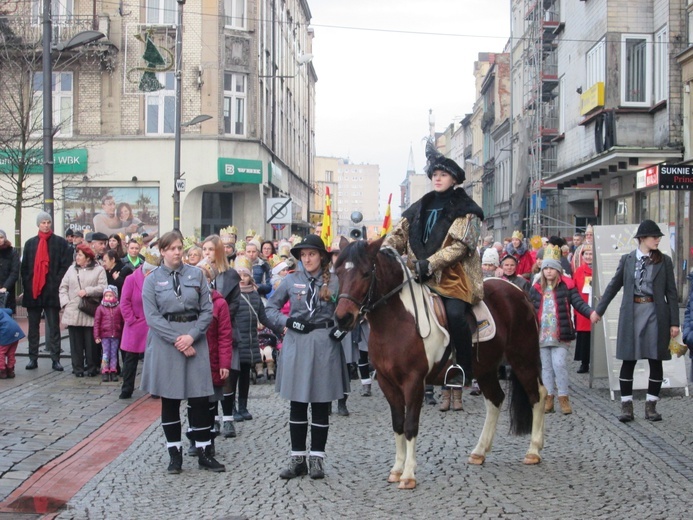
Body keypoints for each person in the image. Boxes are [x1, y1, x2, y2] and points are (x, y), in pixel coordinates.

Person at [383, 140, 484, 402]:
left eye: (443, 175)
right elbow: (399, 234)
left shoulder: (467, 210)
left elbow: (461, 248)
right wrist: (384, 248)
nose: (437, 179)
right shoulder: (420, 206)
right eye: (435, 175)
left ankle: (463, 368)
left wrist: (430, 263)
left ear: (454, 179)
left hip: (453, 278)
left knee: (455, 315)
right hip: (418, 275)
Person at [265, 234, 350, 480]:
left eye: (311, 254)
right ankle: (297, 459)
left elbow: (355, 308)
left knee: (321, 405)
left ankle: (317, 460)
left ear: (322, 256)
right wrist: (286, 322)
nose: (307, 259)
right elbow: (269, 308)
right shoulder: (291, 281)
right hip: (297, 344)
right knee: (298, 404)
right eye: (303, 255)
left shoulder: (335, 281)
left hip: (325, 344)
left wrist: (342, 329)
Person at [140, 231, 225, 474]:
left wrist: (191, 336)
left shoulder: (196, 275)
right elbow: (152, 317)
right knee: (170, 400)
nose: (178, 252)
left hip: (194, 338)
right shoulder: (152, 280)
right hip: (167, 343)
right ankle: (174, 455)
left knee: (199, 399)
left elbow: (207, 311)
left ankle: (204, 452)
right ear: (163, 251)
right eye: (172, 248)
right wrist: (177, 340)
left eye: (180, 247)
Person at [592, 220, 679, 423]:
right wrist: (599, 311)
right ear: (642, 239)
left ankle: (651, 406)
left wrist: (675, 322)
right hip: (632, 313)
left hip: (656, 314)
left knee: (655, 358)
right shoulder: (628, 260)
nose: (657, 240)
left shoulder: (664, 261)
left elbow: (671, 293)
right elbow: (613, 286)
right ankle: (626, 406)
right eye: (653, 237)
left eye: (658, 237)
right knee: (628, 359)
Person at [529, 245, 594, 415]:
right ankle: (549, 397)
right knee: (546, 368)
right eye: (546, 268)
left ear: (558, 271)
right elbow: (529, 308)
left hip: (561, 333)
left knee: (559, 364)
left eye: (552, 268)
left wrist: (591, 313)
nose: (549, 271)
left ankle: (563, 397)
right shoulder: (536, 288)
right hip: (542, 335)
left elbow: (578, 303)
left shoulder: (567, 287)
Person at [226, 256, 281, 422]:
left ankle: (243, 406)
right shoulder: (231, 295)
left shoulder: (255, 296)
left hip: (250, 342)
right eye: (239, 274)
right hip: (236, 341)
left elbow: (263, 318)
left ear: (250, 276)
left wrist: (279, 329)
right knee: (233, 377)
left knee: (244, 376)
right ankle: (232, 408)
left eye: (245, 275)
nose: (242, 278)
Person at [21, 212, 73, 371]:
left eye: (48, 222)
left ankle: (55, 359)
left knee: (54, 326)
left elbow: (65, 266)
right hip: (34, 291)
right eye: (43, 222)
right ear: (38, 224)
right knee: (33, 327)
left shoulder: (60, 243)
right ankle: (32, 358)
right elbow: (25, 269)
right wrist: (29, 285)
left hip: (52, 291)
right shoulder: (30, 244)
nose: (46, 225)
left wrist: (55, 283)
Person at [59, 243, 107, 377]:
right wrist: (65, 303)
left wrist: (88, 291)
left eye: (80, 255)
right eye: (77, 254)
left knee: (91, 344)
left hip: (90, 311)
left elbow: (104, 287)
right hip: (73, 310)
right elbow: (63, 287)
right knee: (75, 343)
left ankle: (92, 368)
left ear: (87, 257)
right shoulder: (71, 269)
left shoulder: (99, 270)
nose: (77, 257)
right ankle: (78, 368)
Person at [119, 256, 158, 399]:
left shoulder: (157, 280)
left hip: (152, 325)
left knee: (154, 358)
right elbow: (124, 302)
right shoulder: (131, 279)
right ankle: (127, 388)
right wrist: (131, 320)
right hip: (135, 325)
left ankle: (155, 388)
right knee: (130, 359)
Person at [93, 285, 124, 382]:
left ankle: (113, 370)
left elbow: (122, 322)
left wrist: (122, 334)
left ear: (115, 296)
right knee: (106, 354)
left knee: (114, 353)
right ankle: (105, 370)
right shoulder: (100, 308)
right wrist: (96, 336)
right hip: (105, 335)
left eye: (111, 295)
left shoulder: (119, 307)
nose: (108, 297)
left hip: (116, 335)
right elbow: (97, 323)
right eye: (107, 296)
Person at [573, 244, 594, 374]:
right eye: (586, 254)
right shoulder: (579, 271)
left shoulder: (599, 270)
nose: (588, 256)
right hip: (583, 307)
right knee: (584, 337)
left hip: (596, 305)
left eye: (590, 254)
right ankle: (584, 363)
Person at [0, 307, 25, 379]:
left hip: (6, 332)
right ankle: (10, 370)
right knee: (11, 352)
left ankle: (2, 370)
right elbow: (10, 310)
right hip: (16, 331)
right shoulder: (1, 310)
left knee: (1, 352)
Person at [0, 229, 20, 313]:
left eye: (1, 237)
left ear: (5, 238)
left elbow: (14, 272)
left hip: (7, 291)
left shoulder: (12, 252)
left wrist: (5, 287)